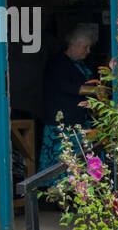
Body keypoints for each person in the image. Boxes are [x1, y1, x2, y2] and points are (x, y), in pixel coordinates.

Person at [37, 24, 102, 172]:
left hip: (79, 121)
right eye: (85, 47)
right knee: (62, 160)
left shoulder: (81, 64)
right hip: (63, 124)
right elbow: (72, 87)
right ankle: (56, 191)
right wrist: (97, 90)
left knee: (82, 160)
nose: (88, 51)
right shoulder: (58, 64)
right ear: (74, 45)